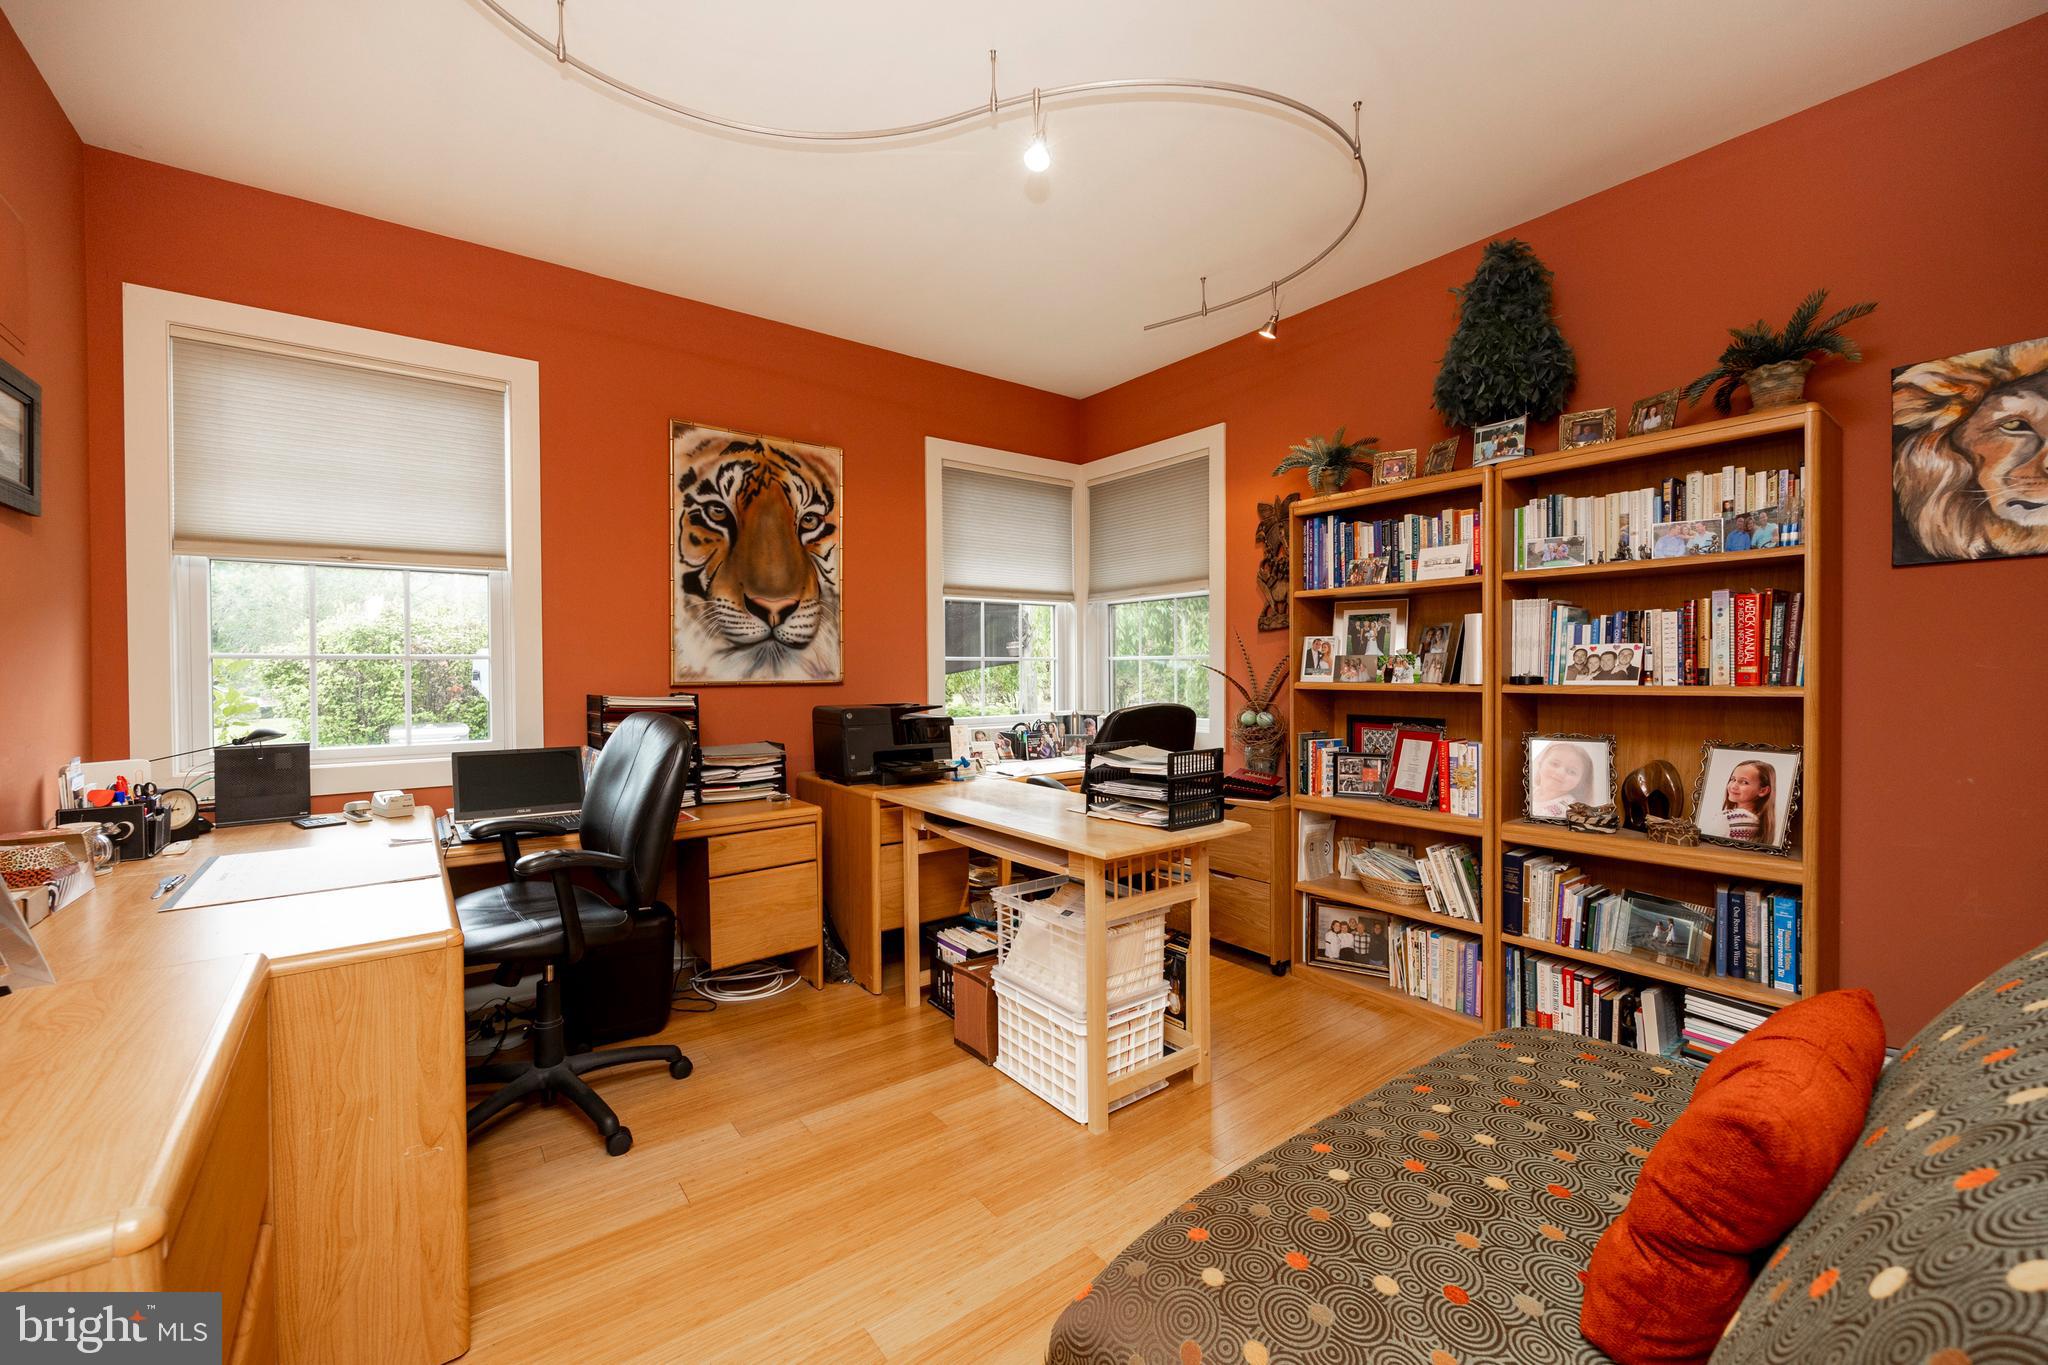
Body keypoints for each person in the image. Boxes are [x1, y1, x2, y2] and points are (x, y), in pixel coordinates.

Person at [1715, 758, 1776, 845]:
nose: (1733, 786)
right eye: (1733, 779)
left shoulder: (1727, 819)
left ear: (1763, 791)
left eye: (1744, 782)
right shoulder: (1758, 823)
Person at [1529, 742, 1596, 819]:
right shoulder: (1529, 791)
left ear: (1581, 781)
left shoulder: (1571, 810)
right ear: (1540, 764)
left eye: (1572, 771)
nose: (1560, 773)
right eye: (1555, 764)